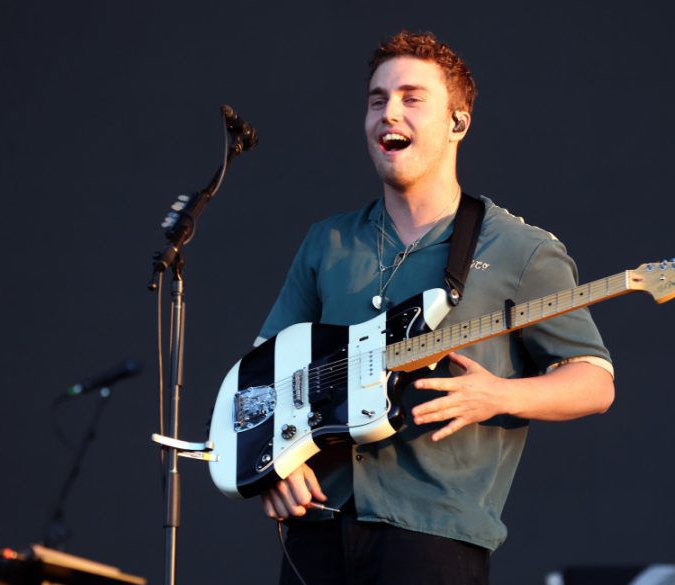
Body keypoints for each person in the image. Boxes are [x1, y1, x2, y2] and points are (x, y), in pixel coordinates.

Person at [256, 30, 615, 585]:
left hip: (433, 537)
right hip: (316, 528)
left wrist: (496, 395)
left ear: (458, 123)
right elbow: (264, 371)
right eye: (377, 100)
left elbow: (594, 381)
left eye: (411, 98)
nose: (388, 113)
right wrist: (273, 467)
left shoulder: (521, 249)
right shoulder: (327, 242)